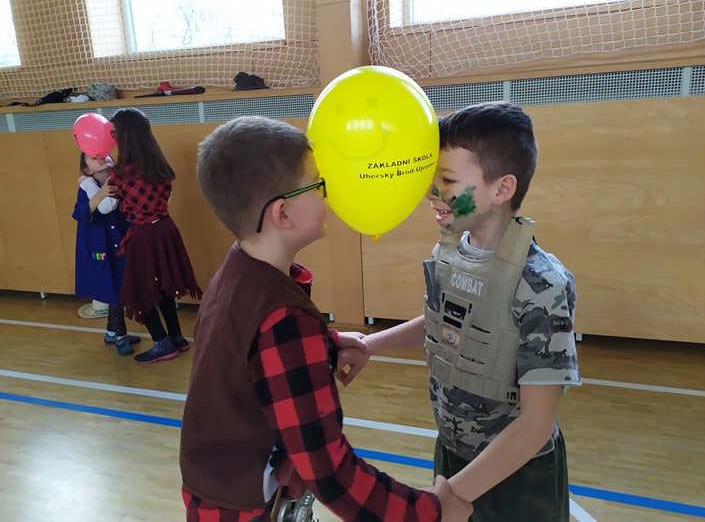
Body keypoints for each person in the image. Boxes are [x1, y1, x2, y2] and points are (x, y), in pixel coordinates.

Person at [179, 115, 472, 522]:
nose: (328, 192)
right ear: (283, 214)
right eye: (317, 184)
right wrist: (431, 512)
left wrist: (324, 347)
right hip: (240, 506)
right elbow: (330, 473)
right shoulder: (283, 318)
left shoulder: (239, 271)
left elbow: (247, 363)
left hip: (221, 487)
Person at [337, 102, 582, 522]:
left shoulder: (541, 285)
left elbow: (536, 424)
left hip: (519, 475)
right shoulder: (450, 251)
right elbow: (444, 323)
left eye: (447, 180)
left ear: (502, 189)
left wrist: (452, 496)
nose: (431, 194)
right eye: (432, 180)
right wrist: (370, 344)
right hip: (454, 454)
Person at [107, 107, 202, 364]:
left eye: (114, 133)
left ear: (126, 135)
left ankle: (161, 342)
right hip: (165, 229)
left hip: (145, 235)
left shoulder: (121, 173)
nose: (112, 138)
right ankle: (176, 337)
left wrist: (91, 182)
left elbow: (109, 205)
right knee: (163, 286)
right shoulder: (158, 165)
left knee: (138, 289)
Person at [72, 152, 140, 355]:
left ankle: (111, 332)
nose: (101, 157)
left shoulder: (121, 182)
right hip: (101, 249)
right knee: (114, 291)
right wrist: (100, 194)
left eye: (104, 154)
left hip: (120, 244)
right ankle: (120, 336)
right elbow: (80, 213)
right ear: (87, 170)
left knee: (118, 287)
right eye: (94, 158)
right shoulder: (86, 188)